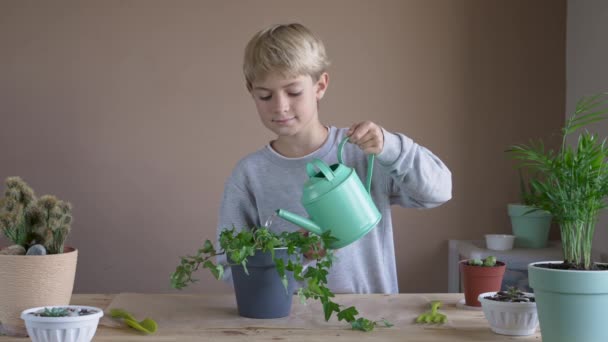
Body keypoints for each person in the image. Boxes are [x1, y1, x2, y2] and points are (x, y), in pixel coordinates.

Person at [217, 23, 452, 294]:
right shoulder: (250, 174)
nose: (280, 106)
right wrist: (297, 256)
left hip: (372, 322)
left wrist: (392, 147)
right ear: (251, 91)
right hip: (287, 328)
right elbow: (232, 267)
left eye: (293, 92)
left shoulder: (361, 151)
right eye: (265, 95)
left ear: (320, 86)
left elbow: (439, 191)